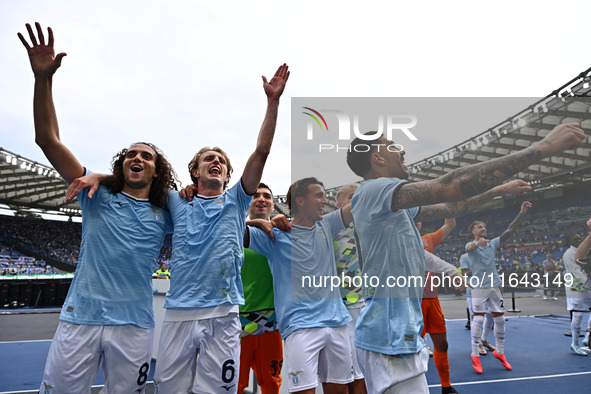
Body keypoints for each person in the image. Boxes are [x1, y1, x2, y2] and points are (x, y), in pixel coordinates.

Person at [346, 122, 585, 393]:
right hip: (388, 340)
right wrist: (542, 147)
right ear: (376, 158)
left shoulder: (391, 205)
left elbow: (449, 206)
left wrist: (495, 191)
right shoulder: (375, 189)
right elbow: (450, 186)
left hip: (394, 336)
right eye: (392, 146)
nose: (401, 151)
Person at [18, 23, 177, 393]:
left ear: (157, 170)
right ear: (122, 165)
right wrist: (43, 79)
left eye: (146, 156)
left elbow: (208, 212)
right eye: (131, 154)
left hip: (134, 326)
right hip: (81, 320)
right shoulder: (95, 194)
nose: (137, 158)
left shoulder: (168, 211)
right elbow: (47, 140)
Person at [153, 64, 289, 393]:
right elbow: (135, 180)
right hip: (178, 315)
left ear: (228, 176)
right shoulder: (175, 200)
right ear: (195, 173)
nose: (216, 162)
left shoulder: (237, 200)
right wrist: (97, 177)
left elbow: (262, 151)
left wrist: (273, 103)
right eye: (208, 159)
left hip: (225, 316)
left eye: (222, 162)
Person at [247, 177, 354, 394]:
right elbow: (223, 228)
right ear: (300, 201)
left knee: (341, 391)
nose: (325, 200)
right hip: (300, 327)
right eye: (319, 195)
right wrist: (254, 221)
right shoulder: (273, 235)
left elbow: (362, 201)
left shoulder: (328, 224)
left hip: (337, 323)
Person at [463, 201, 532, 373]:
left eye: (484, 226)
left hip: (494, 287)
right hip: (478, 287)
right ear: (473, 231)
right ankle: (475, 355)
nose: (483, 228)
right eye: (479, 227)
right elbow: (470, 247)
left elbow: (509, 231)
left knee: (499, 319)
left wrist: (521, 213)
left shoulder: (493, 243)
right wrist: (478, 243)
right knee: (478, 319)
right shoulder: (471, 247)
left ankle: (500, 353)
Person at [238, 183, 284, 394]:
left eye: (266, 196)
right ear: (248, 202)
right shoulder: (236, 234)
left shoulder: (284, 235)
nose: (261, 199)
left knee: (271, 385)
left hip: (270, 323)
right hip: (237, 322)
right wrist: (255, 223)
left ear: (273, 205)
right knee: (233, 385)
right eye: (255, 195)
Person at [415, 218, 458, 394]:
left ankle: (446, 387)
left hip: (432, 299)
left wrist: (450, 197)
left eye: (419, 218)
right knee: (411, 349)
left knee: (442, 344)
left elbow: (450, 225)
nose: (417, 220)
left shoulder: (428, 239)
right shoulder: (397, 239)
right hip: (411, 301)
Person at [333, 183, 367, 393]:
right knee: (349, 371)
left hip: (370, 304)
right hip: (342, 308)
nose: (360, 200)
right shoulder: (329, 228)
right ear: (339, 205)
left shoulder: (371, 227)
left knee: (369, 367)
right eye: (353, 197)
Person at [563, 219, 591, 356]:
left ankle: (587, 337)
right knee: (578, 314)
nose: (579, 240)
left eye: (580, 238)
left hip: (587, 287)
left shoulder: (585, 250)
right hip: (576, 289)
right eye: (575, 239)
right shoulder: (568, 254)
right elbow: (577, 272)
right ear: (569, 241)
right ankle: (574, 343)